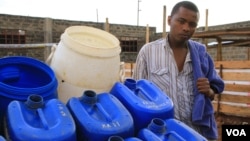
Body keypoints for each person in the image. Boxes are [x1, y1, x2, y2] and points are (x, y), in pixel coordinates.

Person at [132, 1, 224, 141]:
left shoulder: (201, 54)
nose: (186, 28)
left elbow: (214, 89)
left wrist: (209, 91)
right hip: (163, 133)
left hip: (196, 132)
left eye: (192, 24)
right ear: (169, 20)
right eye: (181, 21)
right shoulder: (148, 52)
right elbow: (136, 97)